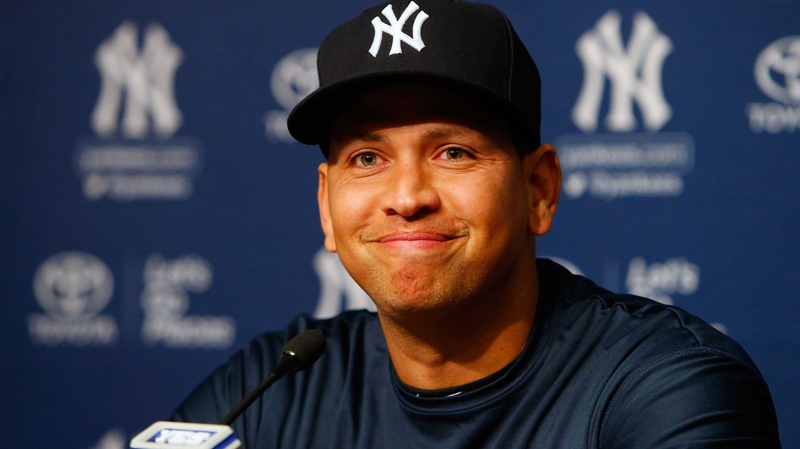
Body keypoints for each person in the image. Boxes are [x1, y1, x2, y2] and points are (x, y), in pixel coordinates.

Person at [173, 0, 781, 447]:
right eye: (367, 158)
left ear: (539, 189)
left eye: (453, 152)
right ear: (326, 205)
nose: (407, 196)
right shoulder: (274, 385)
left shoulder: (664, 387)